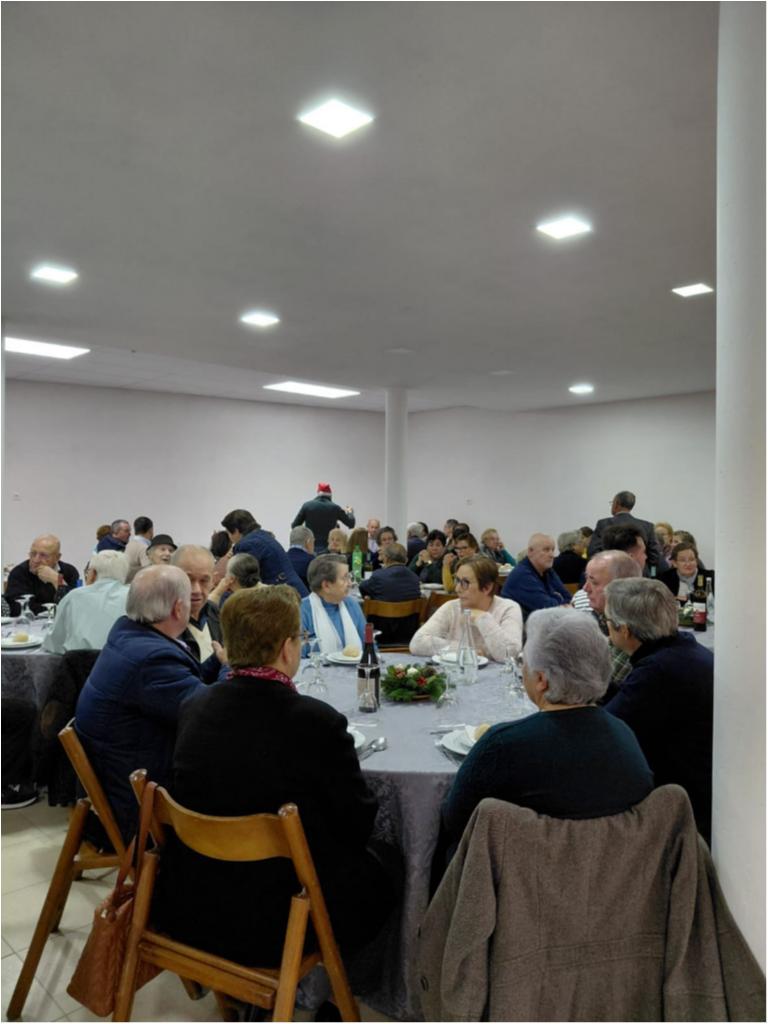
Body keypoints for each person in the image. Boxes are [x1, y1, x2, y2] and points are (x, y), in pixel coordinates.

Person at [152, 585, 400, 969]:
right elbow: (357, 824)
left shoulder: (195, 704)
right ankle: (364, 981)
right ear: (287, 648)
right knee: (391, 860)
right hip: (280, 920)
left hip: (191, 902)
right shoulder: (316, 721)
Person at [441, 606, 653, 856]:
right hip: (615, 871)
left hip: (523, 874)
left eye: (524, 662)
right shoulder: (623, 734)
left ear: (541, 680)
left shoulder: (502, 745)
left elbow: (454, 820)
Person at [74, 565, 224, 840]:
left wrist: (217, 662)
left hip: (119, 775)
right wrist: (231, 669)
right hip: (137, 806)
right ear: (178, 609)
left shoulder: (129, 635)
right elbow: (208, 715)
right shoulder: (152, 659)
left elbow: (184, 688)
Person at [604, 578, 714, 842]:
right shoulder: (684, 649)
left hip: (685, 805)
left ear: (625, 630)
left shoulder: (657, 671)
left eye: (606, 620)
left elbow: (608, 731)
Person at [410, 556, 523, 663]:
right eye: (457, 581)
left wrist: (481, 617)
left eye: (465, 583)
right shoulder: (452, 607)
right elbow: (417, 643)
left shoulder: (508, 608)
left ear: (487, 587)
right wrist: (465, 650)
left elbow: (510, 654)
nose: (457, 589)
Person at [580, 550, 642, 696]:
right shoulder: (603, 616)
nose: (585, 588)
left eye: (594, 582)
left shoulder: (630, 627)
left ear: (621, 588)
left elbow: (599, 685)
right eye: (586, 579)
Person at [42, 550, 129, 654]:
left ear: (93, 573)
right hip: (122, 661)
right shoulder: (133, 596)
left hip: (80, 662)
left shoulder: (74, 597)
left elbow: (53, 643)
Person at [221, 509, 308, 597]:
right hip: (294, 592)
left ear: (236, 531)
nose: (230, 539)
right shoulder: (263, 536)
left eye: (228, 533)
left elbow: (241, 581)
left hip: (286, 597)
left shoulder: (247, 544)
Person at [301, 554, 367, 654]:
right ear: (326, 586)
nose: (350, 583)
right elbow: (298, 657)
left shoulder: (352, 605)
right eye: (345, 578)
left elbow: (369, 645)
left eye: (349, 577)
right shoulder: (302, 611)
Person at [359, 542, 421, 645]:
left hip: (380, 634)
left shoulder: (378, 576)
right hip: (407, 635)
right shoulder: (414, 578)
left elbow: (362, 587)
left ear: (386, 558)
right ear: (405, 559)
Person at [6, 534, 80, 615]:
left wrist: (56, 580)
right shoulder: (19, 573)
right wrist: (56, 610)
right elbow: (19, 609)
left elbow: (75, 605)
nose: (36, 560)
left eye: (43, 555)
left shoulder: (70, 571)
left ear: (57, 557)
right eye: (33, 553)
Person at [501, 534, 571, 618]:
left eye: (553, 550)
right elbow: (547, 608)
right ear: (530, 551)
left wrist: (557, 601)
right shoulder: (522, 575)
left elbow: (568, 597)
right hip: (520, 624)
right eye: (546, 550)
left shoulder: (548, 571)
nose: (552, 555)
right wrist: (559, 599)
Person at [587, 491, 663, 569]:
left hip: (611, 572)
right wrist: (652, 574)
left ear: (616, 504)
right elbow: (654, 557)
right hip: (639, 573)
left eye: (612, 503)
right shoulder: (647, 526)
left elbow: (593, 552)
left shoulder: (603, 524)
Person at [171, 545, 222, 662]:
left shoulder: (216, 613)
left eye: (204, 581)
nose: (196, 590)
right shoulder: (162, 623)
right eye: (188, 580)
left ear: (213, 581)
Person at [291, 482, 355, 554]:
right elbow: (351, 524)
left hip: (310, 548)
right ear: (330, 495)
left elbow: (294, 526)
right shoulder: (335, 508)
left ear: (318, 493)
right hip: (328, 550)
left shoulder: (307, 506)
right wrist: (350, 512)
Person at [123, 516, 154, 582]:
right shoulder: (144, 548)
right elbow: (148, 572)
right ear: (150, 530)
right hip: (137, 583)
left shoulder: (129, 544)